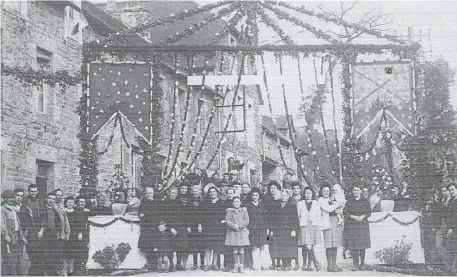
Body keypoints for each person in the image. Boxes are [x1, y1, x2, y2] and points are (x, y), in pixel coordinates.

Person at [344, 185, 372, 271]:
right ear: (352, 191)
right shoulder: (349, 201)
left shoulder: (365, 201)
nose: (356, 192)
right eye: (355, 190)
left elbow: (369, 212)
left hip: (362, 225)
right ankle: (355, 264)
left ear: (360, 191)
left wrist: (363, 216)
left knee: (362, 244)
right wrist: (353, 216)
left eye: (358, 190)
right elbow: (345, 213)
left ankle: (362, 264)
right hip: (352, 225)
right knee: (354, 245)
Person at [269, 189, 299, 271]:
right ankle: (283, 263)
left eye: (285, 195)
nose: (283, 197)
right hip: (278, 229)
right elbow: (272, 218)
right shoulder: (276, 205)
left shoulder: (292, 205)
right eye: (282, 195)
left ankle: (288, 263)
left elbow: (295, 219)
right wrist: (271, 230)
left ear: (288, 196)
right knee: (280, 246)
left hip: (288, 230)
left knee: (288, 246)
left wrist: (294, 230)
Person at [20, 184, 46, 276]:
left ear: (37, 192)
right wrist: (25, 231)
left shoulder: (40, 202)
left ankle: (35, 274)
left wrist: (42, 230)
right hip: (29, 232)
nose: (33, 193)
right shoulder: (24, 202)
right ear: (28, 191)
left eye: (35, 191)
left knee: (40, 255)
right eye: (31, 191)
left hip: (39, 232)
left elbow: (44, 216)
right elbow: (22, 218)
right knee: (31, 254)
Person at [318, 184, 345, 272]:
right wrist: (337, 204)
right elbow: (329, 209)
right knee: (329, 244)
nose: (326, 192)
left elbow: (340, 209)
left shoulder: (332, 198)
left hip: (336, 221)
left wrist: (339, 206)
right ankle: (329, 265)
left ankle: (334, 264)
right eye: (324, 191)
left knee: (335, 244)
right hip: (327, 222)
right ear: (321, 192)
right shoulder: (321, 200)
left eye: (327, 191)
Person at [2, 190, 27, 276]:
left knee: (17, 259)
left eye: (12, 197)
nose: (11, 199)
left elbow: (18, 224)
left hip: (16, 236)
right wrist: (5, 235)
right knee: (9, 260)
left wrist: (22, 237)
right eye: (8, 198)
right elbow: (2, 224)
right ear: (4, 198)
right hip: (8, 238)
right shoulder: (3, 209)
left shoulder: (13, 209)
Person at [163, 187, 189, 272]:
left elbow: (184, 216)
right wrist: (170, 228)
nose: (173, 194)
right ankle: (171, 265)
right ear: (169, 193)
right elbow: (165, 217)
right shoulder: (165, 203)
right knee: (170, 247)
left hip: (180, 227)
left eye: (175, 193)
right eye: (172, 193)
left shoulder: (180, 203)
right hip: (170, 228)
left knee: (180, 247)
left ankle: (178, 264)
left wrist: (186, 226)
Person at [201, 185, 226, 271]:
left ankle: (215, 263)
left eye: (214, 192)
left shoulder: (222, 202)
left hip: (218, 227)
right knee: (207, 246)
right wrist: (201, 225)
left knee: (216, 246)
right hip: (207, 227)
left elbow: (224, 214)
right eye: (210, 192)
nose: (212, 193)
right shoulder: (205, 203)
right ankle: (208, 264)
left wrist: (223, 222)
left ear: (217, 193)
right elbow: (202, 215)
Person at [297, 187, 322, 271]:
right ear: (304, 194)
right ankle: (315, 262)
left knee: (309, 245)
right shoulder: (300, 203)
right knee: (306, 245)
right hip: (303, 225)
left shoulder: (316, 203)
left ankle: (308, 265)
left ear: (312, 194)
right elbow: (298, 215)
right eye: (306, 193)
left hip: (313, 225)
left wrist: (316, 223)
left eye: (309, 193)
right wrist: (300, 222)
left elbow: (319, 215)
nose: (308, 195)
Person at [225, 196, 250, 273]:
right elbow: (227, 220)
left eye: (238, 202)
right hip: (233, 232)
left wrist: (239, 225)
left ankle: (241, 266)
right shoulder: (229, 211)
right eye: (235, 202)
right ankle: (236, 265)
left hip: (242, 232)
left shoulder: (244, 211)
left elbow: (246, 220)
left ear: (240, 203)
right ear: (232, 203)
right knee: (235, 249)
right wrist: (234, 226)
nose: (236, 203)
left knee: (241, 249)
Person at [246, 188, 269, 271]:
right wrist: (247, 229)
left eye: (256, 195)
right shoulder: (248, 206)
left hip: (262, 227)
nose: (255, 197)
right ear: (251, 196)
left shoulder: (262, 205)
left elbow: (265, 218)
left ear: (259, 196)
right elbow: (247, 218)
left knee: (262, 246)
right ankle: (256, 264)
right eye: (253, 195)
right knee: (254, 246)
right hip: (252, 228)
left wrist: (267, 228)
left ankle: (264, 264)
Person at [42, 192, 64, 275]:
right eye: (50, 198)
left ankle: (53, 273)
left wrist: (58, 232)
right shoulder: (43, 208)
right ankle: (46, 273)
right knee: (46, 254)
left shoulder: (54, 210)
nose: (51, 200)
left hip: (53, 234)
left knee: (54, 254)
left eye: (53, 199)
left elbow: (58, 223)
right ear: (47, 199)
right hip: (45, 234)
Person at [138, 187, 159, 271]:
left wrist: (145, 215)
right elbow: (140, 213)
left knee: (155, 246)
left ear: (153, 194)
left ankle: (155, 264)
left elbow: (156, 214)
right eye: (147, 193)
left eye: (150, 193)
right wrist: (142, 214)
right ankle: (149, 264)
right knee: (147, 247)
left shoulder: (156, 203)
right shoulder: (143, 203)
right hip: (146, 227)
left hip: (154, 227)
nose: (148, 195)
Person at [438, 182, 457, 275]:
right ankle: (452, 269)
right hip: (452, 228)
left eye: (453, 189)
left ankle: (453, 270)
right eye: (450, 190)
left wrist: (451, 227)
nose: (451, 191)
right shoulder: (451, 201)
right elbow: (448, 216)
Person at [264, 181, 281, 269]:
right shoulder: (267, 198)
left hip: (278, 225)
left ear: (277, 189)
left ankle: (278, 263)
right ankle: (273, 262)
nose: (272, 190)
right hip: (269, 225)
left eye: (274, 188)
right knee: (270, 243)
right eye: (271, 188)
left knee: (278, 243)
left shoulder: (280, 199)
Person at [187, 185, 205, 270]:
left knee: (201, 245)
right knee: (194, 245)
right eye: (194, 191)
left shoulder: (203, 201)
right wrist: (188, 226)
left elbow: (203, 214)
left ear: (200, 192)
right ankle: (194, 264)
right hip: (192, 226)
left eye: (197, 191)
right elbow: (187, 214)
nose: (195, 192)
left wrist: (200, 224)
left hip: (201, 226)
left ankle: (202, 264)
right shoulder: (189, 201)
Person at [53, 189, 71, 276]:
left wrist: (67, 233)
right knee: (52, 255)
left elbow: (66, 222)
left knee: (59, 254)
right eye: (57, 195)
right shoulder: (51, 207)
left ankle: (60, 272)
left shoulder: (62, 209)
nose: (59, 197)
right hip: (52, 236)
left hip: (61, 236)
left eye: (61, 195)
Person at [73, 196, 90, 274]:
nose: (82, 203)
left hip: (84, 233)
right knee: (77, 250)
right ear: (77, 202)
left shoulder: (85, 211)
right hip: (77, 233)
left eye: (84, 202)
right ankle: (77, 268)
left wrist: (88, 210)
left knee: (84, 250)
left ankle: (82, 267)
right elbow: (79, 223)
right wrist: (80, 233)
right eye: (81, 202)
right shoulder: (75, 211)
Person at [222, 187, 236, 272]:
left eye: (232, 193)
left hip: (235, 227)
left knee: (235, 246)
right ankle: (226, 264)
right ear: (226, 194)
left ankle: (235, 264)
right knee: (227, 246)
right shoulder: (223, 203)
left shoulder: (237, 202)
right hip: (226, 227)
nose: (230, 195)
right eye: (229, 193)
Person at [63, 196, 76, 275]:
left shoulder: (75, 212)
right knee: (65, 252)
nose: (70, 204)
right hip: (65, 234)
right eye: (69, 202)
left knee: (72, 252)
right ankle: (64, 269)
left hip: (73, 235)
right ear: (66, 203)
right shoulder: (64, 211)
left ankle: (71, 269)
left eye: (72, 202)